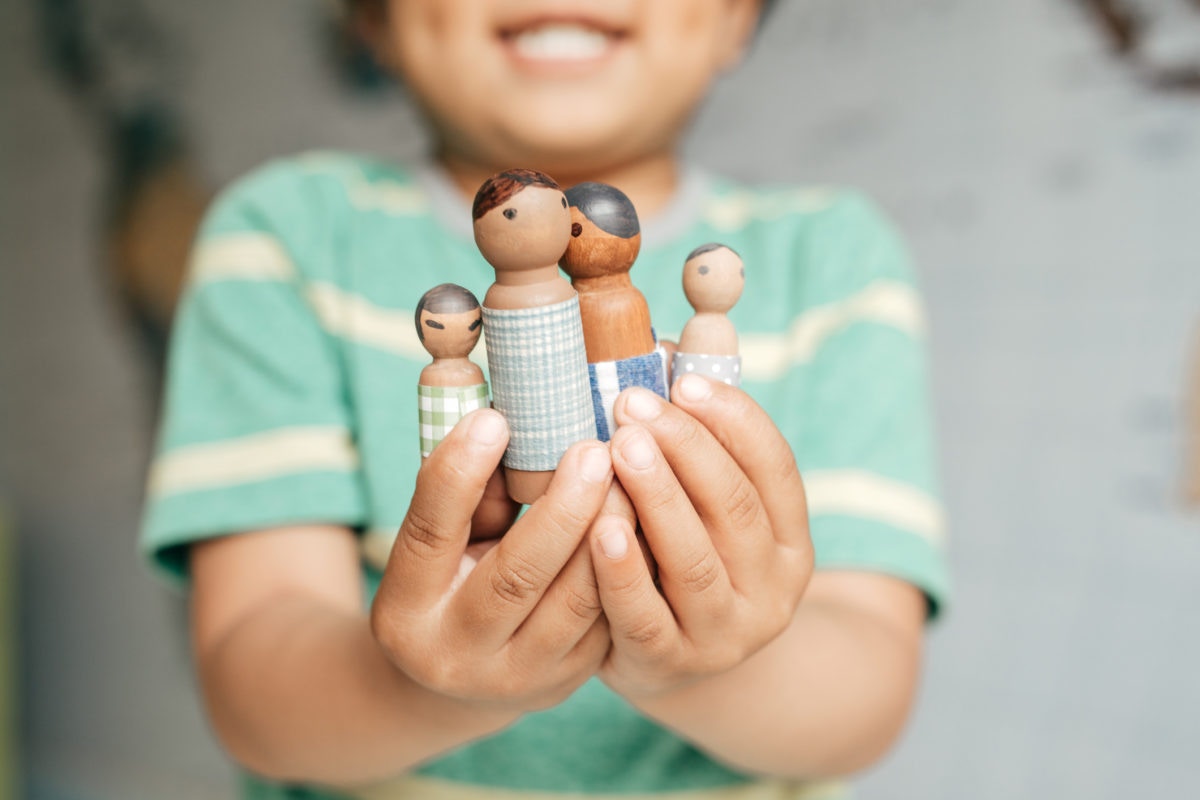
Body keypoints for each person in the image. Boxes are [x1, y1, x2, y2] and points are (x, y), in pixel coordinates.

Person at [141, 2, 950, 798]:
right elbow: (255, 695)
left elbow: (866, 698)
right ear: (372, 17)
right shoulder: (287, 235)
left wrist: (687, 664)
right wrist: (430, 681)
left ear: (738, 17)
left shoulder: (835, 260)